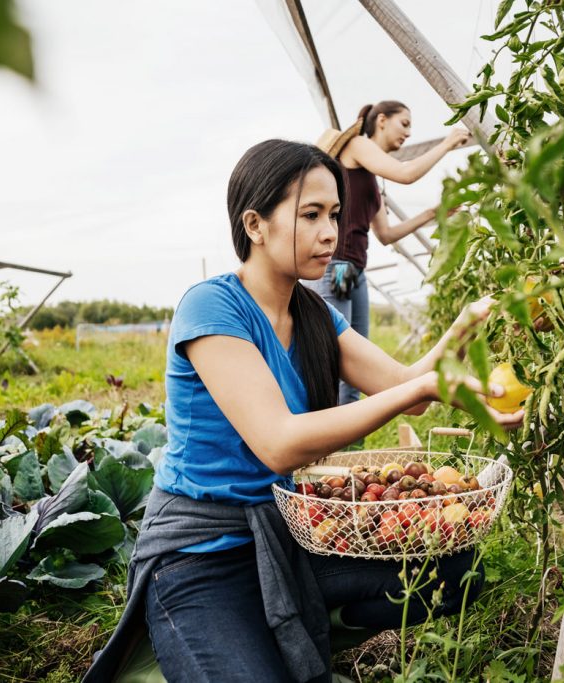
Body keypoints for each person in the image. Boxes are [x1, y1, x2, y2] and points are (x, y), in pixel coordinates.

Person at [84, 139, 520, 683]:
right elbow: (280, 441)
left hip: (291, 539)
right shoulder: (212, 306)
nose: (330, 232)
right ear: (255, 224)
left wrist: (465, 327)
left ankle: (300, 629)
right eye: (311, 214)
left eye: (335, 214)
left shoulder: (314, 315)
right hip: (201, 557)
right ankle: (217, 642)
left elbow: (404, 382)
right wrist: (423, 388)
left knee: (458, 570)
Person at [309, 101, 471, 405]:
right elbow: (406, 173)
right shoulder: (357, 145)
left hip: (355, 271)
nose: (408, 133)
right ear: (381, 120)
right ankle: (326, 438)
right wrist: (447, 143)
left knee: (359, 360)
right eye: (404, 124)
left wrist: (432, 213)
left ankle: (351, 445)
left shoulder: (371, 177)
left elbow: (386, 235)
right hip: (338, 266)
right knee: (338, 357)